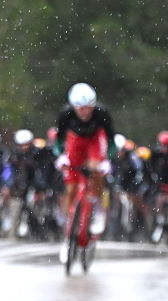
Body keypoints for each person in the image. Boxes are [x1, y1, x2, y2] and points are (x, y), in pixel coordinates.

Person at [53, 82, 116, 259]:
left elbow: (111, 140)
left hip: (95, 141)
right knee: (71, 187)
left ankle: (98, 208)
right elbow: (58, 140)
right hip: (76, 141)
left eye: (88, 108)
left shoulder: (101, 113)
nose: (85, 112)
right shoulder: (65, 114)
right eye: (80, 109)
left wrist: (108, 161)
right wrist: (61, 156)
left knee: (96, 168)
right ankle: (68, 229)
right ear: (73, 107)